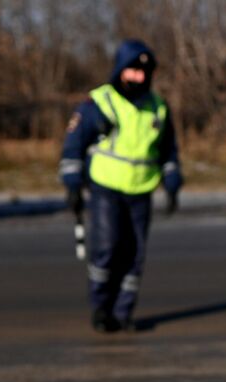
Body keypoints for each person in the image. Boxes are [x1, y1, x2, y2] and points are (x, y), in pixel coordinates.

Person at [59, 39, 183, 333]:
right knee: (108, 249)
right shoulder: (100, 103)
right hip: (106, 188)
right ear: (120, 70)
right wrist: (73, 185)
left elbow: (168, 151)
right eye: (132, 71)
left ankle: (123, 312)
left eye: (144, 72)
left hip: (141, 191)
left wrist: (173, 183)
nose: (137, 78)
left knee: (135, 254)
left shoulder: (158, 107)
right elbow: (73, 146)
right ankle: (101, 308)